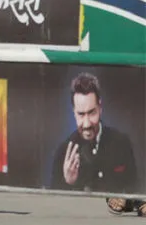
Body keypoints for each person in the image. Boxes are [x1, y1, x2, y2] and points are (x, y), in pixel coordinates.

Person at [51, 73, 142, 208]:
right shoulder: (63, 153)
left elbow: (136, 194)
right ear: (74, 112)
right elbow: (53, 210)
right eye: (81, 114)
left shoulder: (122, 143)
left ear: (100, 107)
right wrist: (69, 183)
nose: (87, 123)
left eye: (92, 112)